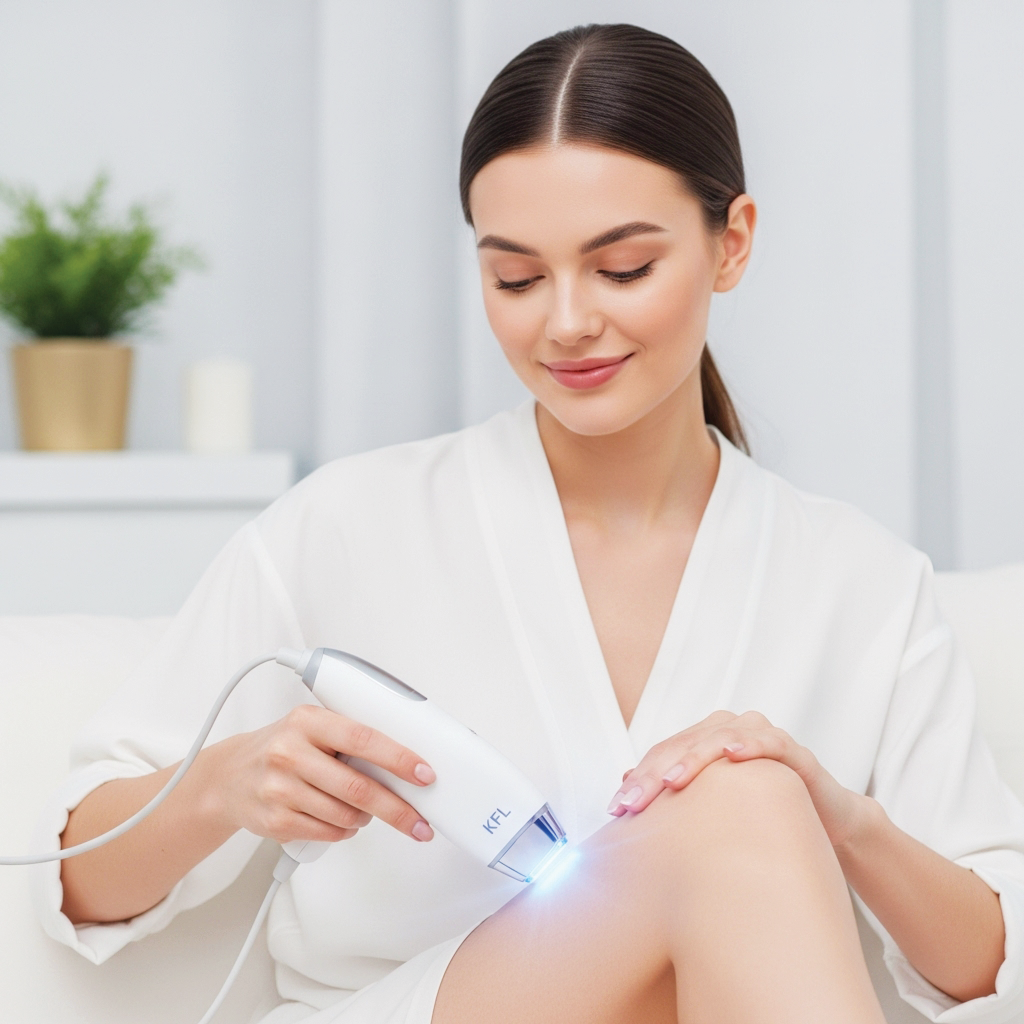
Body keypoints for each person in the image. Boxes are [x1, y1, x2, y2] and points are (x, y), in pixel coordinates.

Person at [36, 23, 1024, 1024]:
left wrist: (836, 816)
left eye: (622, 268)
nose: (563, 322)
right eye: (514, 277)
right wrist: (221, 787)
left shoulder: (861, 585)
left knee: (752, 794)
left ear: (731, 242)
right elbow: (74, 884)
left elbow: (991, 962)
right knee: (740, 801)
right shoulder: (350, 525)